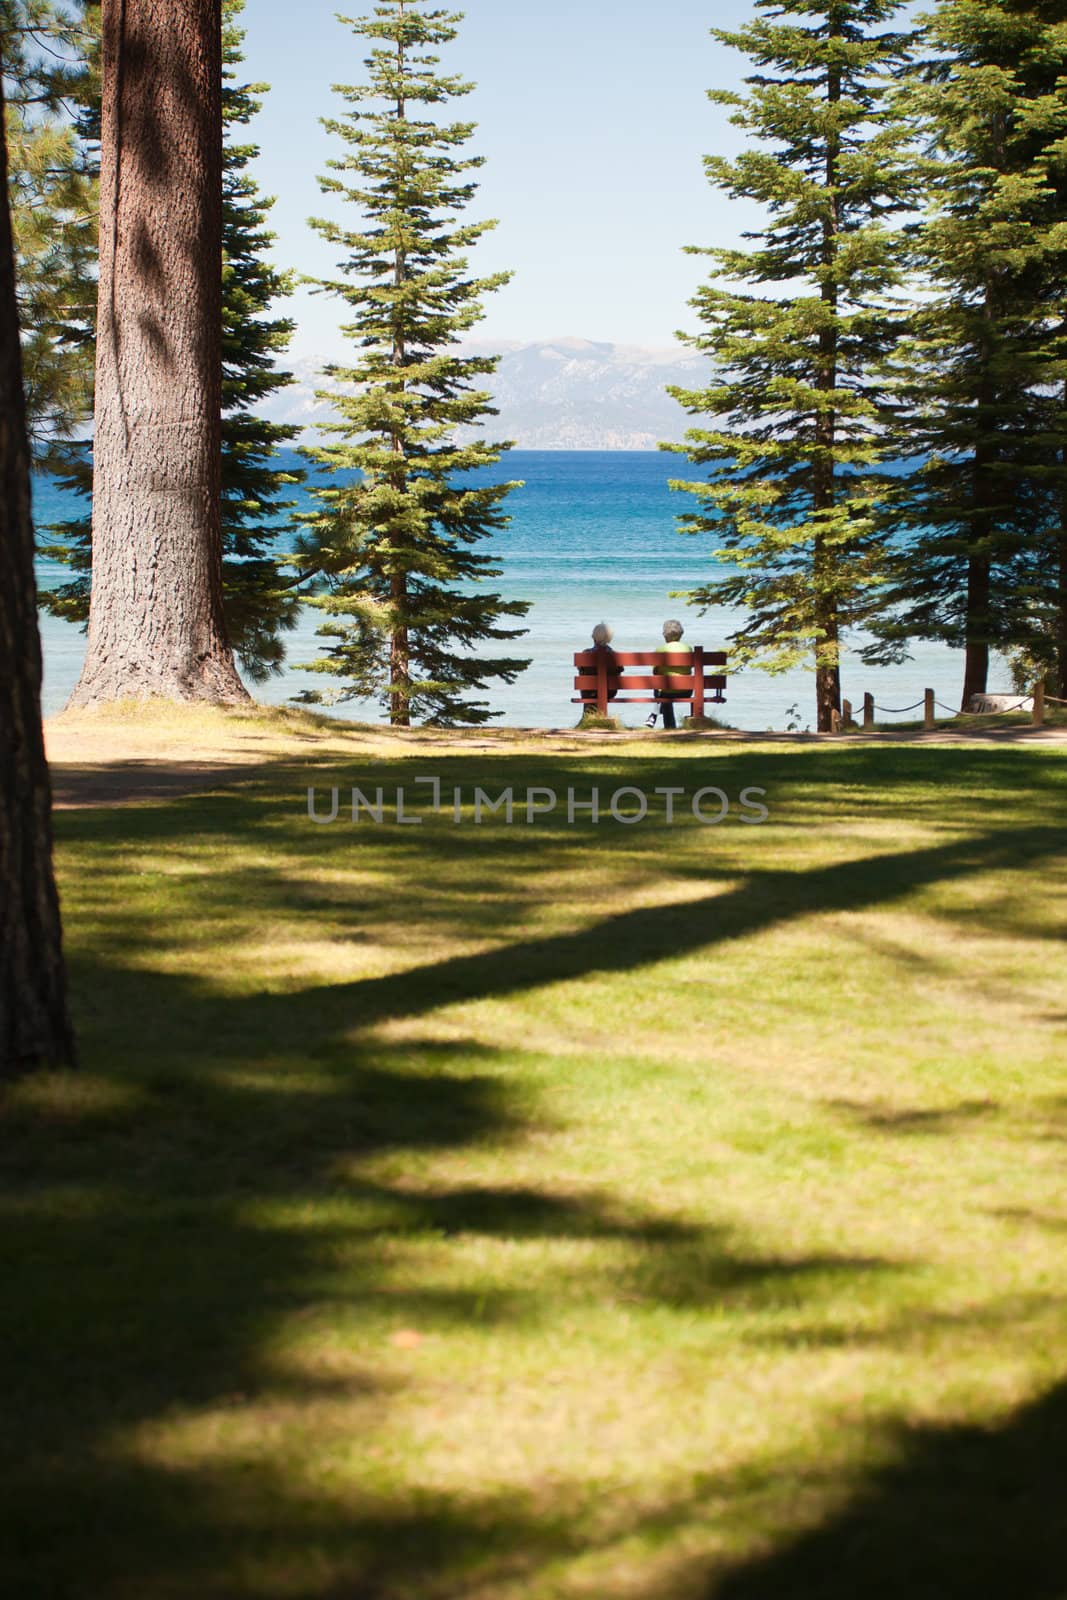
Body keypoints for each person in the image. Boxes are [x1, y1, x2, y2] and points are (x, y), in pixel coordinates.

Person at [646, 619, 693, 729]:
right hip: (686, 690)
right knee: (662, 687)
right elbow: (690, 667)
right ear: (681, 634)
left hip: (666, 692)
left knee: (660, 687)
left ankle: (658, 718)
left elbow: (655, 671)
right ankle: (656, 717)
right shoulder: (688, 649)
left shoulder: (660, 650)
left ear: (665, 635)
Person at [580, 621, 621, 708]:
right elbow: (620, 670)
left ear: (593, 637)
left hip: (589, 692)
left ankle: (588, 719)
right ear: (609, 639)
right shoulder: (615, 656)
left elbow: (580, 668)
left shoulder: (585, 654)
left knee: (587, 682)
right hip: (609, 692)